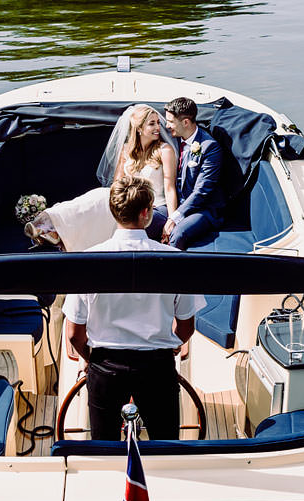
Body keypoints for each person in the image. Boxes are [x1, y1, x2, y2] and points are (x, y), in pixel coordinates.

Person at [63, 177, 203, 440]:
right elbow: (186, 326)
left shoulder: (86, 262)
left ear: (114, 212)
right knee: (166, 445)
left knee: (104, 448)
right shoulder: (175, 262)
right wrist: (171, 345)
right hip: (157, 368)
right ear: (146, 213)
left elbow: (73, 334)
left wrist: (91, 359)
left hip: (105, 367)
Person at [24, 105, 177, 249]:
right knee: (104, 194)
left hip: (154, 207)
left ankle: (57, 231)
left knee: (105, 200)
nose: (158, 128)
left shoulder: (164, 150)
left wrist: (172, 219)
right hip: (128, 204)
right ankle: (52, 222)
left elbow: (170, 188)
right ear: (138, 128)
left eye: (158, 123)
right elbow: (117, 185)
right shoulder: (126, 150)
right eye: (152, 124)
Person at [163, 97, 226, 248]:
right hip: (176, 204)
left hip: (202, 209)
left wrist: (174, 218)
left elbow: (202, 192)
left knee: (177, 234)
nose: (166, 125)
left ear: (185, 122)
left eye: (171, 122)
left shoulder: (209, 147)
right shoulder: (174, 139)